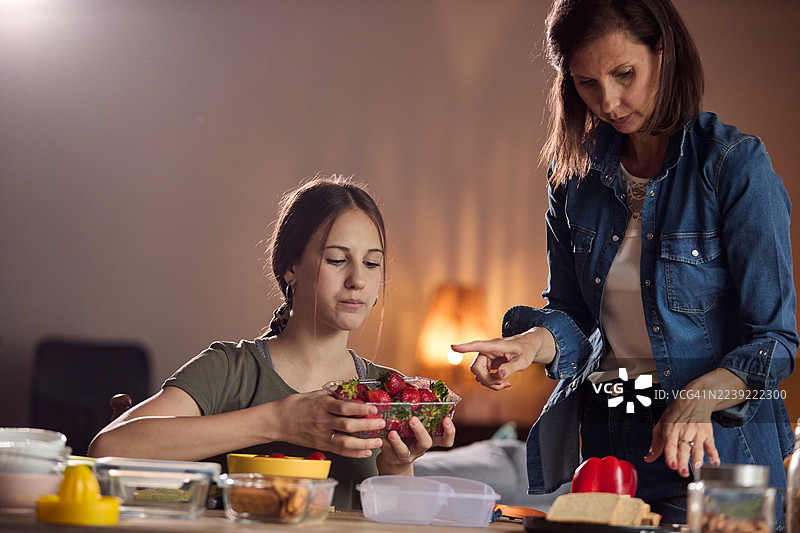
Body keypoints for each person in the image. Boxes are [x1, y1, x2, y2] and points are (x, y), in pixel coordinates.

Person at [452, 0, 797, 525]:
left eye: (624, 74)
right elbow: (573, 315)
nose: (608, 102)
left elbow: (776, 342)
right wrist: (531, 344)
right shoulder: (573, 174)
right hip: (611, 442)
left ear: (663, 53)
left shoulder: (733, 165)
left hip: (721, 451)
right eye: (587, 83)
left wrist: (700, 395)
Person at [89, 175, 456, 509]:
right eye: (336, 259)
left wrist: (398, 467)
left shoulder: (389, 394)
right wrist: (278, 421)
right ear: (291, 268)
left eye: (372, 264)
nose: (357, 279)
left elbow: (403, 522)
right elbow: (108, 448)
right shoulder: (229, 370)